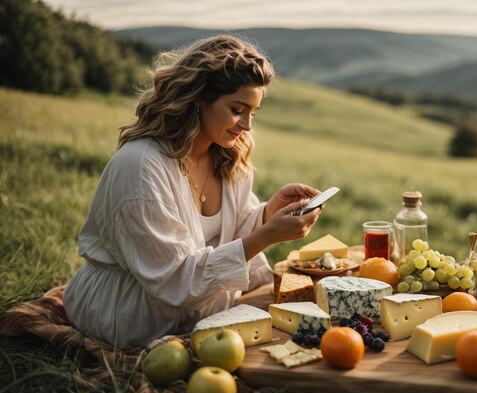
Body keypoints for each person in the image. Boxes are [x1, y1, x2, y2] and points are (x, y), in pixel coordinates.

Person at [63, 35, 323, 349]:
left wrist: (268, 214)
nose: (247, 126)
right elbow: (173, 278)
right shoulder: (141, 166)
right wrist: (267, 235)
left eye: (253, 112)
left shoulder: (228, 154)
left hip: (205, 311)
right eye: (237, 109)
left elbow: (227, 237)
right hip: (130, 318)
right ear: (200, 98)